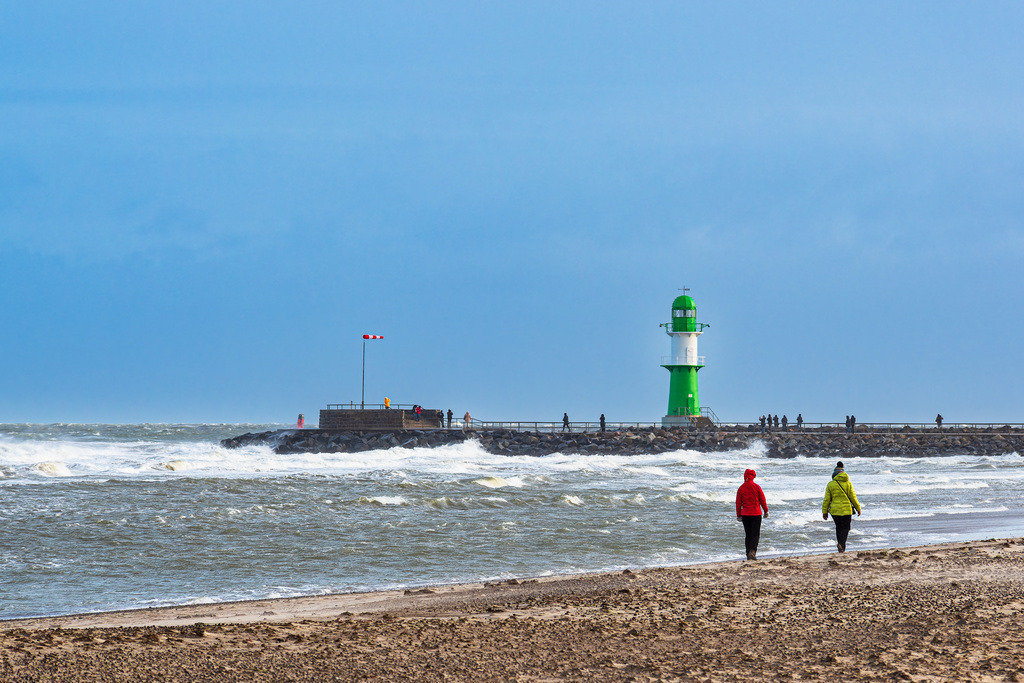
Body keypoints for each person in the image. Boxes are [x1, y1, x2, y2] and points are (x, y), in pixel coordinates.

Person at [822, 465, 861, 553]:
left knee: (839, 527)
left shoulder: (830, 484)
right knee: (846, 528)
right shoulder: (848, 483)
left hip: (834, 511)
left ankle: (841, 547)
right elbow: (853, 497)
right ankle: (841, 544)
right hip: (846, 510)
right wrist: (858, 508)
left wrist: (825, 512)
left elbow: (827, 499)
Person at [736, 468, 769, 561]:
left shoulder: (741, 488)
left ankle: (748, 554)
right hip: (756, 513)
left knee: (748, 535)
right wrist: (766, 511)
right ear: (753, 477)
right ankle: (753, 552)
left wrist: (738, 515)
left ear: (745, 476)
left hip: (745, 514)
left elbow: (738, 503)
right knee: (755, 534)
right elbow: (762, 500)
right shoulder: (757, 487)